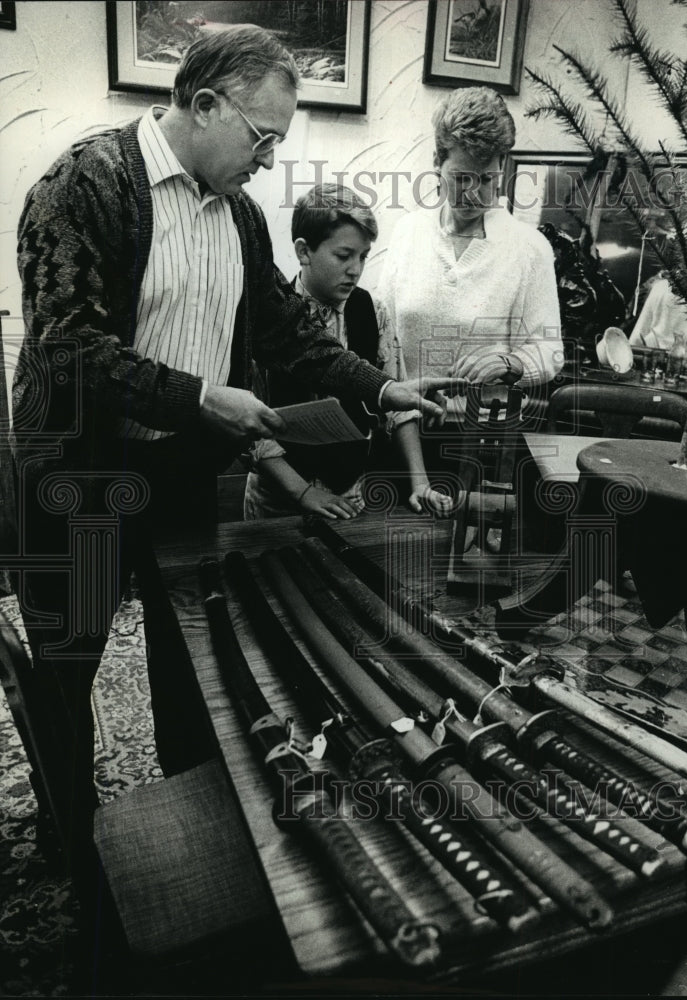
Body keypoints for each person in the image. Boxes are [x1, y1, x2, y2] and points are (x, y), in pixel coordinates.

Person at [11, 25, 459, 896]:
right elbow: (65, 344)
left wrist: (380, 389)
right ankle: (70, 852)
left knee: (196, 664)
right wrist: (197, 397)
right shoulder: (83, 184)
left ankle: (202, 837)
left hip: (181, 475)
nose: (268, 157)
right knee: (68, 666)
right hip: (82, 479)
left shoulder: (243, 216)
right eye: (263, 137)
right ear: (204, 102)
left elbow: (292, 337)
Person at [377, 86, 564, 476]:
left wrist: (510, 363)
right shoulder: (409, 232)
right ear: (437, 162)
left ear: (502, 171)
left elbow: (550, 353)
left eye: (486, 180)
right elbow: (383, 334)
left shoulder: (529, 249)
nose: (473, 193)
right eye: (460, 177)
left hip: (478, 444)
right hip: (399, 430)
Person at [244, 183, 453, 521]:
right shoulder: (268, 314)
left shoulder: (374, 311)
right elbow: (249, 427)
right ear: (303, 251)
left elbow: (398, 409)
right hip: (275, 499)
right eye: (343, 256)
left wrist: (420, 483)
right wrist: (302, 492)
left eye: (363, 256)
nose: (355, 269)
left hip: (348, 495)